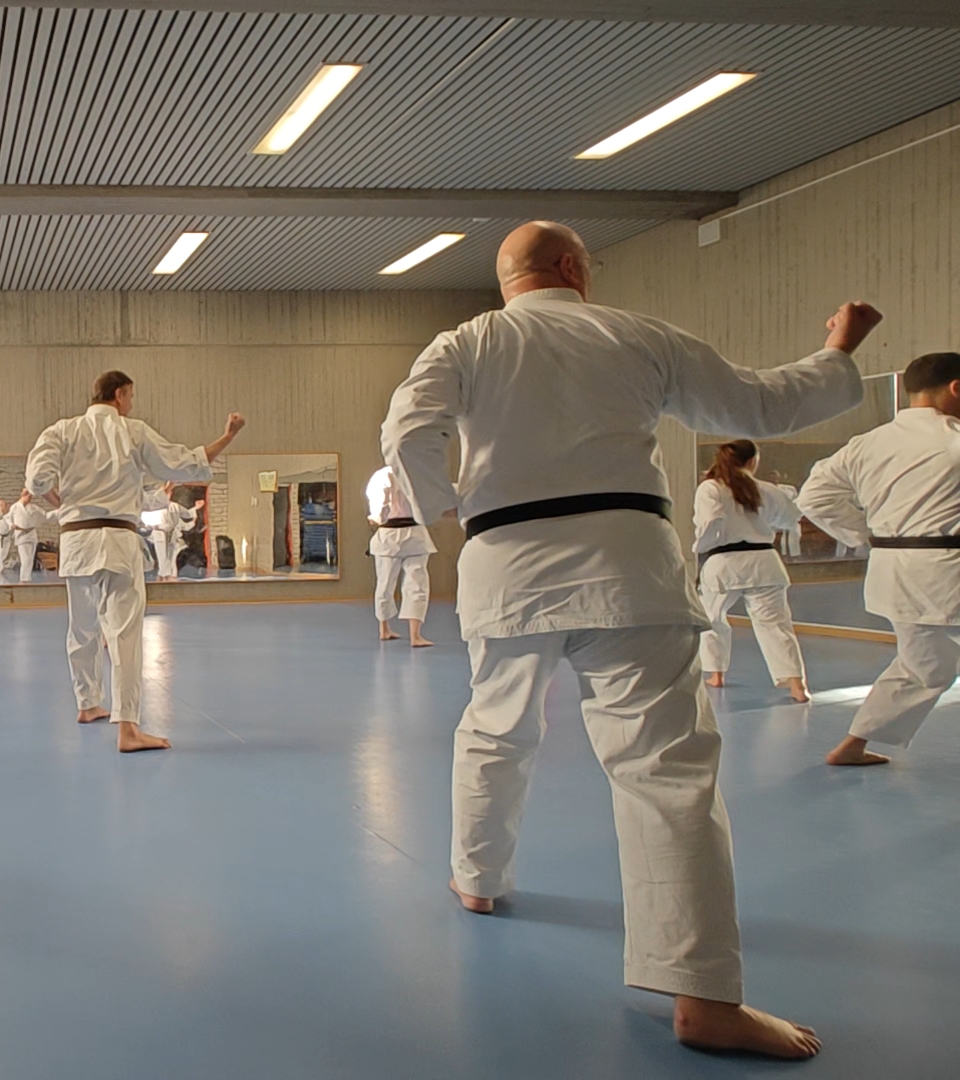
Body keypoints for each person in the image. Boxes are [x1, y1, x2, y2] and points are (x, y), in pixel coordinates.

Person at [381, 220, 878, 1058]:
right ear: (573, 268)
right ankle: (703, 997)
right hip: (629, 564)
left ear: (508, 280)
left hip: (508, 564)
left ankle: (478, 879)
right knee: (665, 772)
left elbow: (408, 431)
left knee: (495, 730)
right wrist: (838, 350)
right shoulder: (635, 333)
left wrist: (451, 504)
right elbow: (758, 402)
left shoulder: (464, 342)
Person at [26, 370, 245, 753]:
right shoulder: (132, 432)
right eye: (131, 397)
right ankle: (127, 730)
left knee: (82, 628)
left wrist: (67, 508)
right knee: (124, 634)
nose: (131, 404)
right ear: (119, 394)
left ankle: (87, 703)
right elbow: (184, 463)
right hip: (117, 541)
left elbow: (37, 481)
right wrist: (227, 436)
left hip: (76, 541)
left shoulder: (60, 431)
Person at [797, 351, 960, 767]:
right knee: (926, 665)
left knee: (928, 666)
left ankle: (853, 745)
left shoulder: (866, 444)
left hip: (893, 574)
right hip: (948, 573)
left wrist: (866, 535)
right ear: (956, 388)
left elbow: (814, 496)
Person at [693, 440, 809, 703]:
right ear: (753, 461)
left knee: (712, 619)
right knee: (776, 625)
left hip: (725, 563)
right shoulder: (767, 489)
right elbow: (791, 518)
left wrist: (700, 549)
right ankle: (797, 686)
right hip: (764, 562)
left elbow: (710, 522)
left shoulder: (710, 488)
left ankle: (717, 674)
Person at [365, 465, 435, 647]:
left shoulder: (381, 475)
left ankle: (384, 628)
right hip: (415, 533)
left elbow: (378, 506)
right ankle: (415, 635)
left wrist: (376, 518)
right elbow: (428, 503)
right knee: (417, 583)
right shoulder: (418, 472)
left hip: (388, 535)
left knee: (385, 583)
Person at [5, 492, 49, 584]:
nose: (30, 499)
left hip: (32, 534)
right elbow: (7, 517)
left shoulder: (33, 507)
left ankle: (27, 578)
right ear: (23, 495)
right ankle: (23, 579)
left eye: (31, 497)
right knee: (25, 558)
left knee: (30, 558)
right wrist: (11, 524)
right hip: (21, 534)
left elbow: (45, 514)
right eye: (28, 497)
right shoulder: (15, 507)